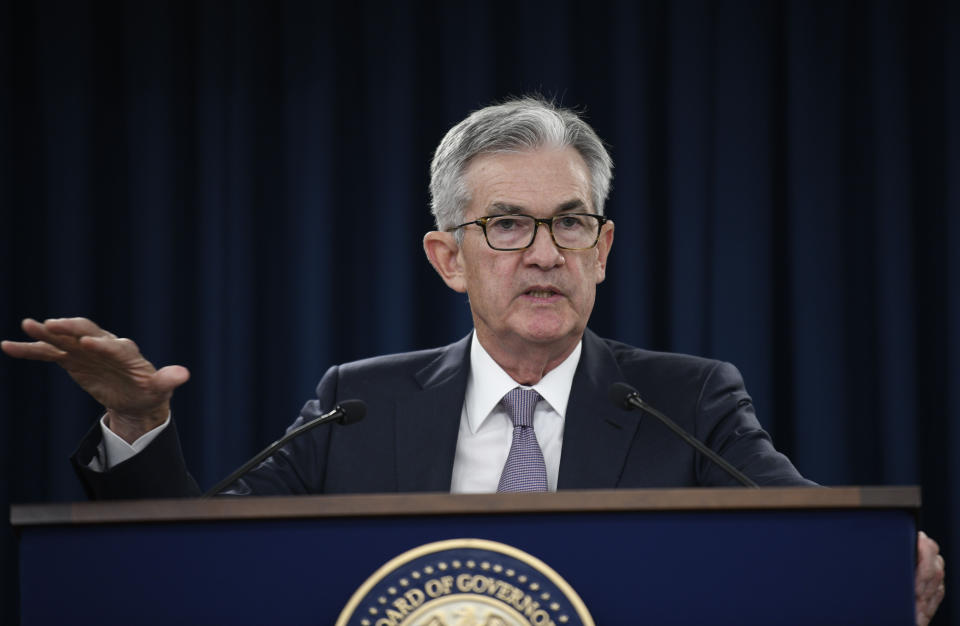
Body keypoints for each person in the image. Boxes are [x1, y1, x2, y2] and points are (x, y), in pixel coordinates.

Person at [1, 97, 945, 624]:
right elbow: (192, 579)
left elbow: (805, 533)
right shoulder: (356, 405)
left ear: (604, 247)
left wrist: (877, 565)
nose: (545, 252)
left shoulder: (686, 399)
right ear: (447, 256)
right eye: (506, 224)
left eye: (570, 222)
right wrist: (136, 424)